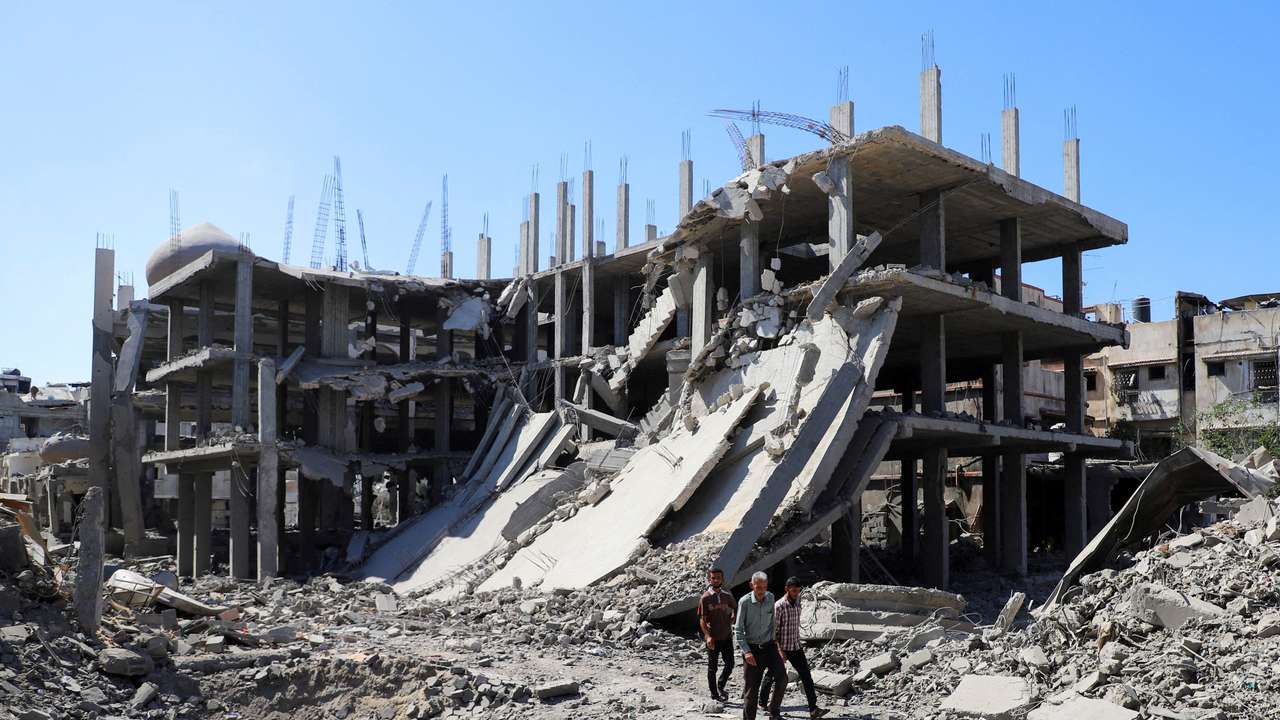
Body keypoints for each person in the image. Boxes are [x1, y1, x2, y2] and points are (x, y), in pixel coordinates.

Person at [760, 577, 828, 719]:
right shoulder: (779, 606)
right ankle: (762, 702)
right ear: (787, 589)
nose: (796, 593)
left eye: (798, 591)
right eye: (794, 591)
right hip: (782, 647)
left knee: (806, 676)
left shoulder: (798, 603)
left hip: (796, 646)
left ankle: (813, 709)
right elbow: (773, 631)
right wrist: (780, 650)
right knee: (771, 675)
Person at [734, 571, 787, 720]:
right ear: (751, 585)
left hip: (769, 647)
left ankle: (774, 712)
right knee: (751, 690)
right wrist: (747, 652)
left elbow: (773, 623)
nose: (761, 591)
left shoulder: (770, 598)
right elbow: (738, 629)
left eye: (764, 587)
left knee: (782, 678)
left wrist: (777, 645)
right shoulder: (744, 602)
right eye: (758, 588)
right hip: (752, 650)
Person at [698, 567, 736, 702]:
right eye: (713, 578)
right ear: (709, 579)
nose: (715, 580)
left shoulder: (727, 595)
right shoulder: (705, 598)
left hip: (727, 636)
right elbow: (702, 619)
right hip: (713, 638)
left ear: (722, 579)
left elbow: (735, 607)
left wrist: (733, 616)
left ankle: (721, 685)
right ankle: (714, 695)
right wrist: (708, 636)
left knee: (730, 664)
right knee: (712, 668)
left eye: (718, 578)